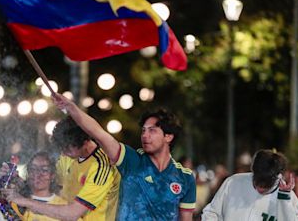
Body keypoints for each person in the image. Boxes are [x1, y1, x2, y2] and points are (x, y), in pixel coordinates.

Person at [52, 93, 196, 220]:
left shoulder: (186, 178)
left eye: (152, 131)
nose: (145, 135)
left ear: (168, 137)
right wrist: (71, 107)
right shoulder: (132, 161)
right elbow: (98, 133)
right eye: (143, 131)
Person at [3, 117, 120, 221]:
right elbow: (45, 183)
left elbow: (73, 213)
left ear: (85, 143)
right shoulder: (68, 158)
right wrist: (16, 178)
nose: (63, 153)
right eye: (61, 149)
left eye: (67, 149)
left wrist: (25, 201)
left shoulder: (102, 166)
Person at [201, 149, 298, 221]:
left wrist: (284, 200)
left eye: (266, 186)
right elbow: (212, 212)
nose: (260, 189)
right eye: (257, 182)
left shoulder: (289, 199)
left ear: (278, 177)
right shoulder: (233, 182)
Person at [0, 151, 67, 221]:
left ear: (52, 175)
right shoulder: (14, 201)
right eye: (33, 169)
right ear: (28, 173)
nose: (38, 174)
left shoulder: (64, 207)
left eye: (44, 170)